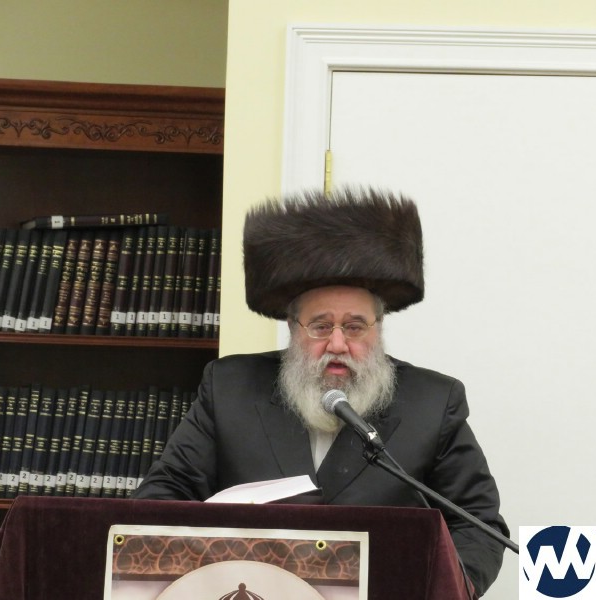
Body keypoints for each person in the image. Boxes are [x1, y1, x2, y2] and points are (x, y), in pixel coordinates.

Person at [133, 187, 509, 596]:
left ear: (379, 328)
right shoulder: (231, 387)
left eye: (355, 326)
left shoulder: (433, 402)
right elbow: (164, 494)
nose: (337, 343)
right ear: (293, 328)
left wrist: (443, 590)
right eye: (320, 326)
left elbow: (478, 523)